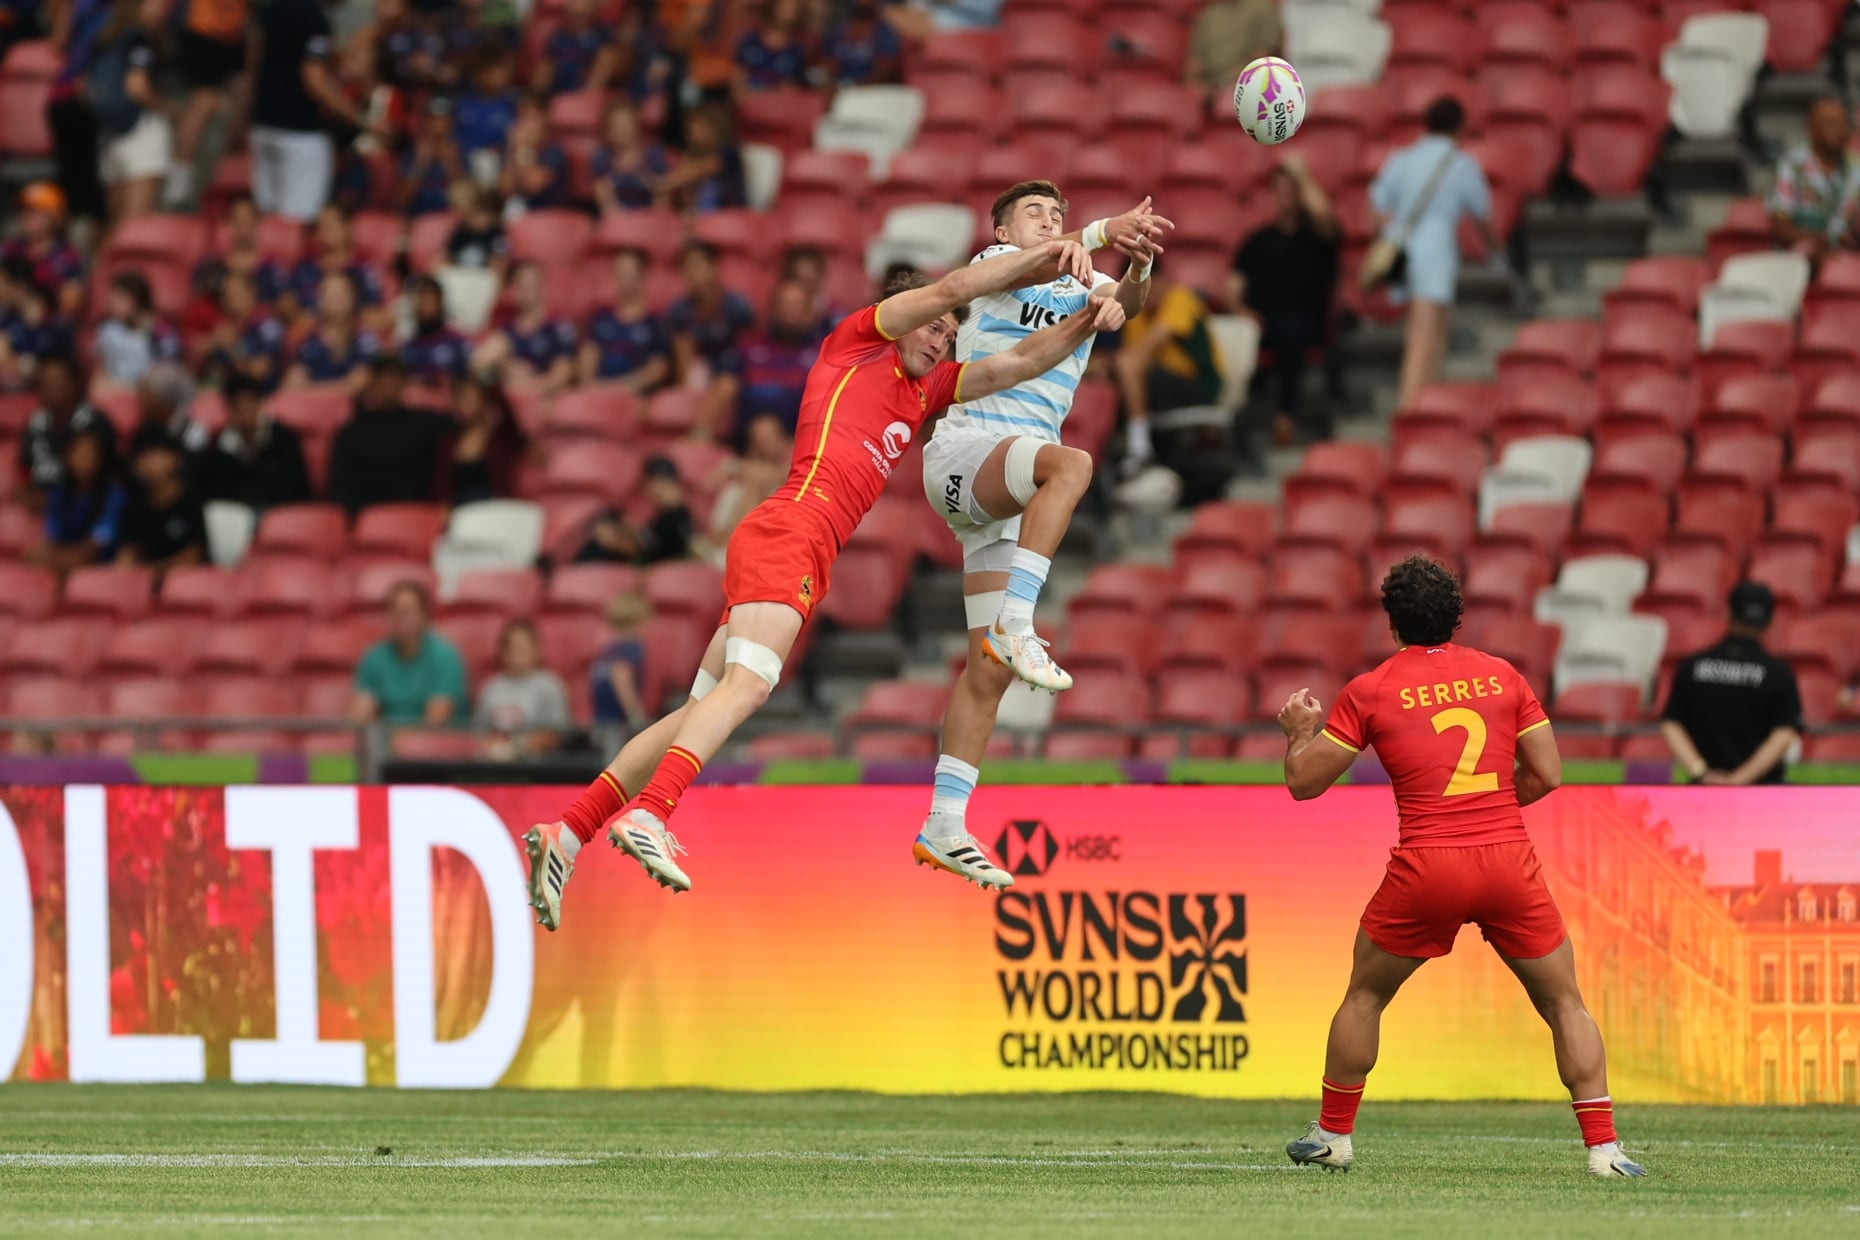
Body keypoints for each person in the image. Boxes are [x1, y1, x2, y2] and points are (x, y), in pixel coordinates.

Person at [523, 239, 1126, 928]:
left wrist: (1089, 317)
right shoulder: (858, 344)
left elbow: (1016, 363)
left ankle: (568, 833)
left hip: (798, 543)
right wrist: (1071, 245)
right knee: (750, 687)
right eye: (933, 327)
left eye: (950, 335)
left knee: (696, 714)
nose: (941, 340)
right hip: (793, 529)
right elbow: (952, 287)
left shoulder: (926, 389)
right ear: (902, 315)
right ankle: (652, 814)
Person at [1275, 555, 1646, 1179]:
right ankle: (1605, 1152)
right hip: (1507, 860)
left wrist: (1297, 733)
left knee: (1365, 995)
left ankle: (1334, 1136)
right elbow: (1549, 775)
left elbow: (1303, 785)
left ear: (1392, 623)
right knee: (1565, 1003)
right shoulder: (1503, 676)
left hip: (1427, 866)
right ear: (1456, 618)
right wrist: (1489, 809)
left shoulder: (1371, 689)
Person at [916, 185, 1169, 885]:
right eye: (1035, 213)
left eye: (1057, 215)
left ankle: (944, 824)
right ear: (1001, 229)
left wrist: (1137, 270)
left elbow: (1127, 303)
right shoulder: (995, 265)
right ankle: (1020, 623)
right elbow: (1041, 262)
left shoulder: (1078, 283)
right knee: (1074, 464)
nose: (1050, 221)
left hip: (1007, 485)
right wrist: (1102, 230)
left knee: (989, 672)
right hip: (967, 453)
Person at [1369, 96, 1503, 413]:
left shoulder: (1403, 158)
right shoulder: (1462, 165)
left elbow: (1377, 202)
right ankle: (1409, 412)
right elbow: (1483, 217)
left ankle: (1426, 410)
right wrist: (1499, 253)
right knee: (1424, 339)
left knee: (1432, 333)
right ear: (1459, 127)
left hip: (1404, 249)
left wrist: (1393, 233)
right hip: (1436, 254)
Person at [1229, 157, 1340, 447]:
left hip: (1304, 323)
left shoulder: (1317, 239)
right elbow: (1233, 288)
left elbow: (1326, 218)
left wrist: (1300, 173)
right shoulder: (1257, 241)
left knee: (1292, 329)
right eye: (1281, 190)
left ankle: (1285, 417)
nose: (1286, 197)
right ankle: (1223, 423)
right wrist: (1241, 311)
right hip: (1260, 324)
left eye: (1292, 191)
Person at [1661, 582, 1806, 785]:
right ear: (1771, 620)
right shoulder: (1778, 673)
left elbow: (1672, 724)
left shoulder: (1694, 666)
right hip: (1763, 791)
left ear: (1729, 613)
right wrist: (1738, 780)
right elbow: (1783, 734)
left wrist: (1702, 772)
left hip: (1704, 791)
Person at [251, 0, 378, 222]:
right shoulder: (313, 19)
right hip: (299, 132)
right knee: (297, 223)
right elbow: (314, 81)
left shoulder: (276, 8)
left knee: (266, 219)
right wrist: (362, 120)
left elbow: (253, 62)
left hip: (262, 126)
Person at [1112, 256, 1223, 470]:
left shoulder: (1180, 298)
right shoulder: (1137, 311)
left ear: (1161, 279)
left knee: (1124, 365)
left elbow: (1145, 350)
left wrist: (1118, 364)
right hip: (1158, 383)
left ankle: (1139, 449)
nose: (1142, 293)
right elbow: (1134, 359)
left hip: (1198, 384)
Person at [326, 354, 454, 513]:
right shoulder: (351, 433)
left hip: (416, 513)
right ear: (372, 383)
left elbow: (465, 422)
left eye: (396, 378)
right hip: (367, 516)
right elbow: (340, 490)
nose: (390, 385)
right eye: (383, 378)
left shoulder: (426, 423)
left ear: (405, 382)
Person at [164, 0, 250, 210]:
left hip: (234, 32)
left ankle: (224, 169)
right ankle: (180, 175)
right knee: (205, 101)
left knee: (240, 93)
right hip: (205, 30)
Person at [666, 240, 756, 439]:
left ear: (713, 268)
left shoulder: (737, 306)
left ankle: (699, 434)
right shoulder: (680, 310)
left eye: (697, 266)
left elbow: (750, 348)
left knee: (727, 384)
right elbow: (683, 354)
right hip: (701, 372)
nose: (691, 273)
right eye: (686, 268)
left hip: (733, 372)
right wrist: (686, 383)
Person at [90, 0, 169, 225]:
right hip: (140, 133)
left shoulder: (106, 39)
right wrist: (168, 109)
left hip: (109, 135)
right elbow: (137, 87)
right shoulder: (140, 40)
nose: (162, 8)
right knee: (134, 229)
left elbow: (86, 88)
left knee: (116, 227)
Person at [350, 580, 471, 724]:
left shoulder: (446, 657)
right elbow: (358, 717)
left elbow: (435, 722)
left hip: (436, 737)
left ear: (425, 616)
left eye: (406, 612)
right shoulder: (374, 657)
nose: (399, 619)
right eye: (393, 612)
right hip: (388, 735)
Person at [200, 373, 312, 510]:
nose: (244, 410)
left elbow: (296, 488)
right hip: (237, 513)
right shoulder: (220, 445)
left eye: (249, 402)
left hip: (279, 511)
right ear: (229, 409)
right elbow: (216, 491)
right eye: (237, 405)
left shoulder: (284, 438)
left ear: (261, 404)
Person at [1769, 95, 1859, 262]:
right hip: (1805, 254)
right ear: (1812, 128)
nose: (1841, 130)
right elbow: (1781, 230)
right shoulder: (1792, 165)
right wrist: (1826, 239)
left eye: (1845, 123)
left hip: (1850, 253)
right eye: (1832, 123)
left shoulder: (1857, 167)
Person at [19, 353, 115, 505]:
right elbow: (25, 469)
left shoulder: (94, 423)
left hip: (84, 508)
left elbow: (103, 479)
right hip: (38, 508)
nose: (51, 388)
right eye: (45, 382)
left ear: (74, 384)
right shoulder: (35, 422)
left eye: (57, 381)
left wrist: (54, 501)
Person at [28, 425, 126, 572]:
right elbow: (54, 535)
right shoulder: (60, 492)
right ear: (67, 456)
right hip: (64, 558)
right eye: (78, 452)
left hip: (101, 565)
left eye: (90, 453)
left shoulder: (114, 494)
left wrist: (68, 558)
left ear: (101, 458)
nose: (84, 459)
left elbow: (99, 541)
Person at [473, 259, 576, 392]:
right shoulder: (507, 330)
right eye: (521, 285)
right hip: (513, 394)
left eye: (532, 284)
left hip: (546, 396)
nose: (527, 291)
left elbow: (562, 376)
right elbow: (478, 367)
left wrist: (529, 387)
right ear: (514, 289)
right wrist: (504, 369)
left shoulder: (558, 327)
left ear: (543, 286)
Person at [477, 619, 572, 758]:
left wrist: (518, 748)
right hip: (494, 761)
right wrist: (492, 746)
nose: (517, 653)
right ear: (503, 652)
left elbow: (558, 733)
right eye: (512, 647)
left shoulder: (550, 686)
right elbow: (479, 732)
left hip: (538, 764)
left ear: (537, 649)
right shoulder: (491, 687)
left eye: (523, 647)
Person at [576, 455, 694, 566]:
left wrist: (619, 542)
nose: (650, 491)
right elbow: (648, 539)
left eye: (650, 484)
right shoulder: (661, 514)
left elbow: (653, 552)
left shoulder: (678, 518)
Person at [579, 248, 669, 389]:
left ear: (642, 277)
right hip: (598, 391)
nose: (621, 278)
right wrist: (591, 385)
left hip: (635, 392)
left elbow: (657, 370)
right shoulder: (601, 318)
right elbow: (588, 358)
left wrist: (620, 387)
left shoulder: (655, 323)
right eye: (618, 272)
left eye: (627, 273)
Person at [115, 437, 207, 572]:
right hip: (144, 579)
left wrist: (156, 570)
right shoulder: (135, 504)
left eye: (154, 455)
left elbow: (194, 555)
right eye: (142, 456)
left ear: (175, 459)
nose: (147, 462)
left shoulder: (191, 501)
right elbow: (127, 553)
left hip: (186, 577)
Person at [283, 270, 380, 391]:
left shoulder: (365, 338)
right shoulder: (307, 338)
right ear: (319, 300)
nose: (335, 300)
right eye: (329, 294)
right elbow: (292, 386)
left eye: (341, 294)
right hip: (313, 402)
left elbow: (358, 385)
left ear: (352, 298)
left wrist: (310, 388)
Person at [2, 182, 87, 318]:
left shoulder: (69, 256)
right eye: (24, 211)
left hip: (50, 325)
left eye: (35, 212)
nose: (27, 217)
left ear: (56, 217)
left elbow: (72, 304)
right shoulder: (9, 250)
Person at [94, 269, 183, 385]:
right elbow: (103, 364)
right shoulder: (110, 328)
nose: (113, 303)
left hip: (152, 385)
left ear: (138, 301)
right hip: (117, 385)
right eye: (112, 297)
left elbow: (170, 363)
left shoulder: (160, 329)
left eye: (121, 298)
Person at [447, 374, 527, 503]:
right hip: (460, 507)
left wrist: (489, 375)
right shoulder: (449, 440)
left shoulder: (500, 437)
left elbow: (507, 409)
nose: (464, 402)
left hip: (497, 505)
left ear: (485, 400)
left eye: (470, 397)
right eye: (460, 397)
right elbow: (442, 485)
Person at [1185, 0, 1283, 103]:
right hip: (1209, 85)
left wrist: (1228, 82)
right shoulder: (1210, 14)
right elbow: (1195, 62)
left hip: (1244, 82)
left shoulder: (1262, 8)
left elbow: (1262, 54)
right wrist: (1193, 88)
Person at [656, 101, 745, 214]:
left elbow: (702, 169)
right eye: (690, 126)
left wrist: (667, 182)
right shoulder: (692, 154)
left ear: (714, 127)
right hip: (698, 215)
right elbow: (685, 191)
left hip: (729, 214)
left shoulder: (728, 151)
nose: (692, 130)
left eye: (698, 125)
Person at [591, 99, 670, 215]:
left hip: (650, 218)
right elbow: (604, 200)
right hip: (616, 218)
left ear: (637, 125)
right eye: (616, 125)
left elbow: (663, 198)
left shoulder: (654, 156)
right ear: (607, 130)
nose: (621, 130)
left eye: (626, 124)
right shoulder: (602, 158)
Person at [499, 94, 571, 212]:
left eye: (530, 117)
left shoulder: (554, 152)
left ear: (544, 117)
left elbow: (532, 186)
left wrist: (523, 149)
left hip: (548, 215)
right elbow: (506, 189)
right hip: (521, 215)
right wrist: (514, 149)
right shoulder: (513, 150)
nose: (525, 124)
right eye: (521, 117)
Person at [590, 589, 652, 727]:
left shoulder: (608, 649)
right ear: (639, 621)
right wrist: (637, 718)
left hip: (600, 720)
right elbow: (621, 678)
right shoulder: (633, 648)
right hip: (619, 724)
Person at [399, 276, 472, 386]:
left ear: (440, 302)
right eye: (422, 300)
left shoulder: (457, 343)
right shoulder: (406, 346)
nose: (426, 305)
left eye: (430, 300)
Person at [734, 0, 812, 93]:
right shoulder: (751, 41)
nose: (789, 10)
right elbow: (737, 77)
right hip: (748, 96)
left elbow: (794, 86)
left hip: (779, 99)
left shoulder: (797, 50)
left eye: (794, 8)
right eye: (784, 6)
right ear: (774, 7)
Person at [825, 0, 903, 87]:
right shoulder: (838, 31)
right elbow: (830, 65)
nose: (862, 2)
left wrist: (855, 86)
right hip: (841, 86)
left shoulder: (885, 33)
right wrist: (833, 83)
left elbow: (884, 71)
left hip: (871, 89)